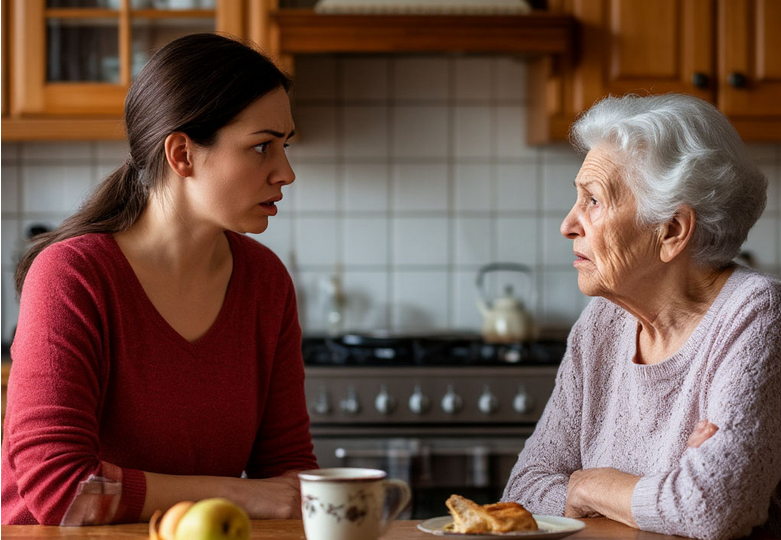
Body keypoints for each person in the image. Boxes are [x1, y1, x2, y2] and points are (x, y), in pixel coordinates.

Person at [1, 33, 318, 526]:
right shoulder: (72, 276)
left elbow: (288, 472)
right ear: (182, 154)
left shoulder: (265, 281)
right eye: (262, 147)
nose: (286, 173)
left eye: (286, 146)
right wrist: (246, 496)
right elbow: (62, 488)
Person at [502, 94, 781, 540]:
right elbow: (522, 493)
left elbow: (713, 507)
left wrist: (588, 485)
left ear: (671, 230)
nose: (568, 224)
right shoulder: (602, 323)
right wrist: (668, 489)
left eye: (594, 201)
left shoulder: (756, 314)